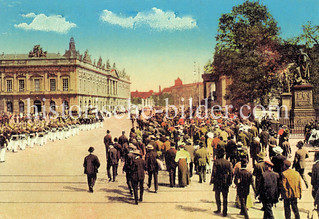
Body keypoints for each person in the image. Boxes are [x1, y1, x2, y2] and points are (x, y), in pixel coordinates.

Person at [210, 147, 233, 217]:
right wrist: (230, 181)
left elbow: (214, 172)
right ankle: (225, 211)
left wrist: (212, 180)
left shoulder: (216, 162)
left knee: (217, 195)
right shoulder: (228, 162)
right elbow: (231, 173)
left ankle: (218, 208)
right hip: (225, 181)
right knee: (225, 197)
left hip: (217, 180)